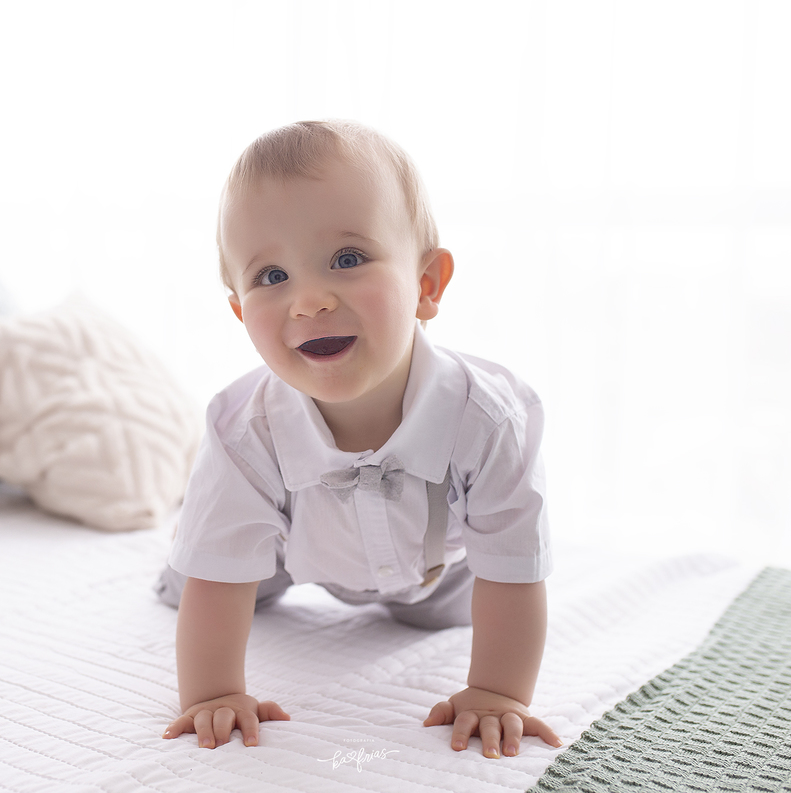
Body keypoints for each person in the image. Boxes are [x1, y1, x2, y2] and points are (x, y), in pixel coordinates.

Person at [156, 120, 560, 759]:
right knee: (200, 577)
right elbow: (217, 582)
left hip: (440, 568)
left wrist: (496, 692)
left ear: (427, 285)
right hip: (291, 550)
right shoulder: (244, 431)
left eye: (347, 260)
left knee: (476, 601)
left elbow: (512, 567)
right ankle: (188, 539)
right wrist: (213, 693)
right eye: (271, 276)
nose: (309, 301)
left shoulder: (489, 419)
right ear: (239, 311)